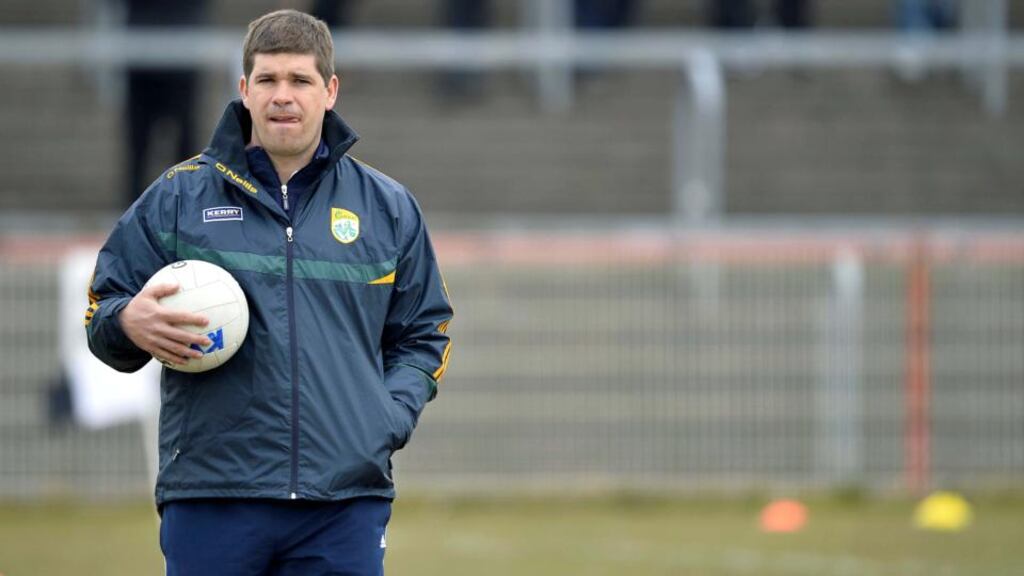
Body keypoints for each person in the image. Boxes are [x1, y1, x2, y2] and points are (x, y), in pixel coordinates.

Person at [85, 10, 453, 575]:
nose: (284, 96)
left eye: (300, 80)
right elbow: (102, 306)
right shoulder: (177, 198)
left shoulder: (388, 207)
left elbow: (426, 331)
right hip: (212, 493)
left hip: (343, 501)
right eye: (268, 80)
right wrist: (125, 324)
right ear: (244, 89)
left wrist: (385, 417)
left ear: (329, 91)